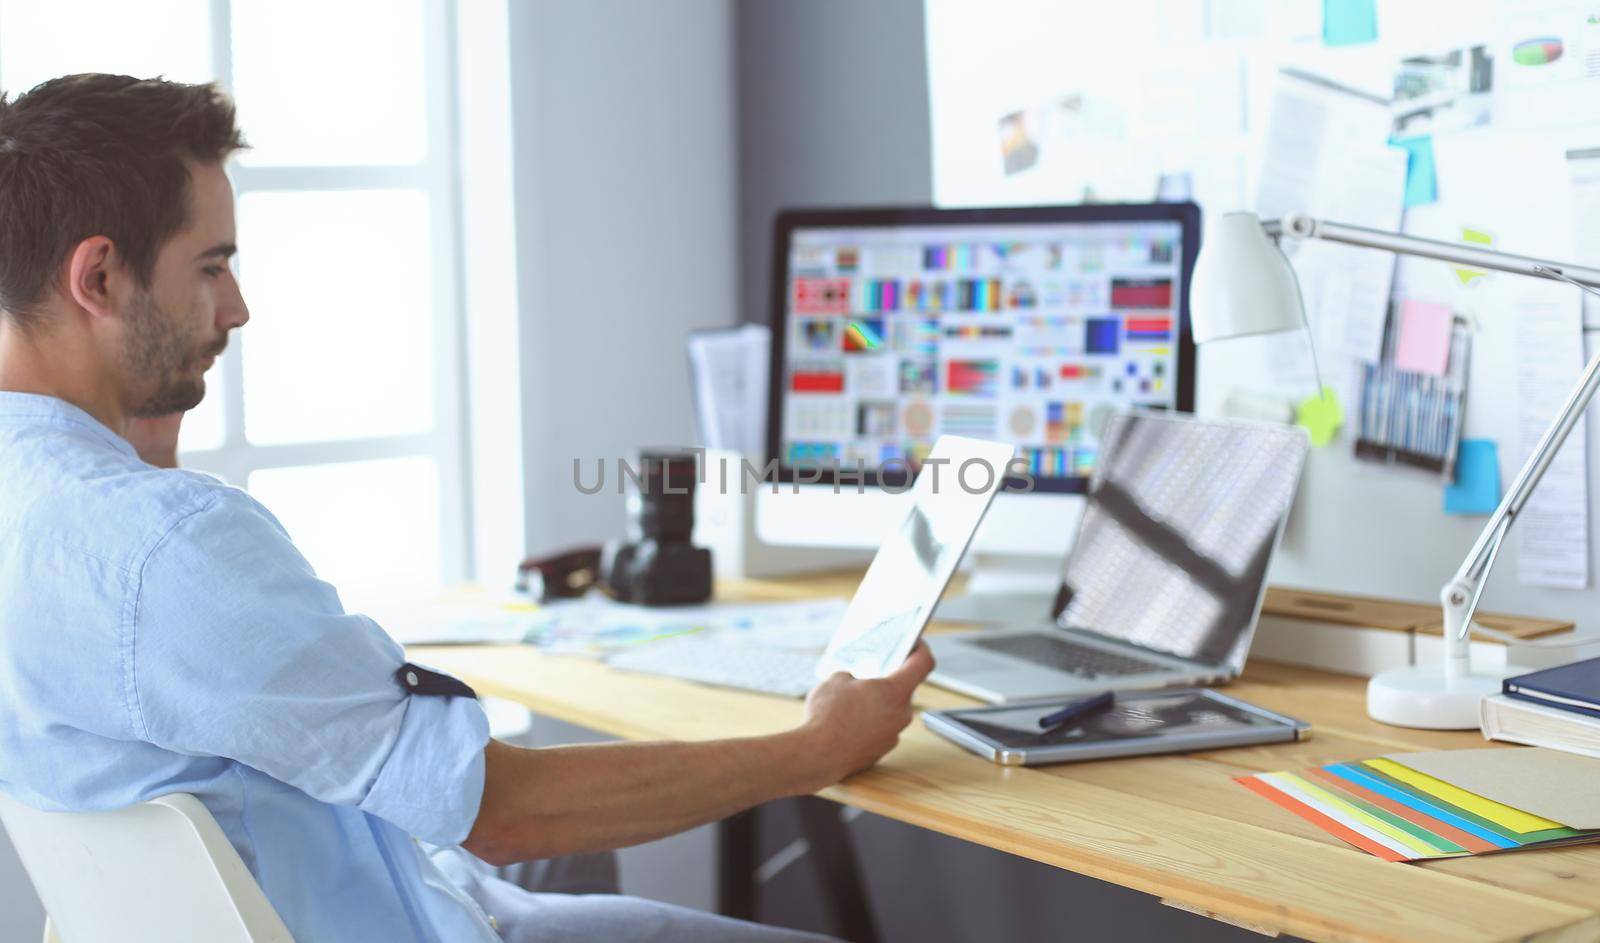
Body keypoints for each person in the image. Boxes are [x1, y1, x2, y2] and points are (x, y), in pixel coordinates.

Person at [0, 73, 934, 943]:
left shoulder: (52, 506)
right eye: (211, 267)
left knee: (560, 860)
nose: (237, 308)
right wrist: (818, 745)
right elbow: (503, 813)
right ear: (100, 278)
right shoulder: (165, 545)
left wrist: (133, 427)